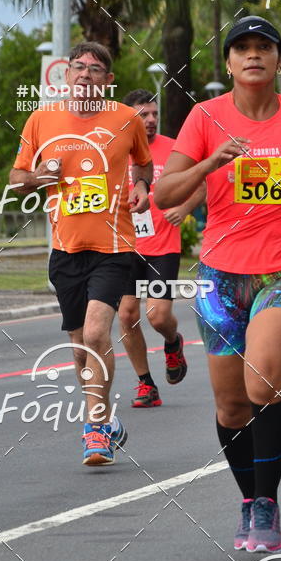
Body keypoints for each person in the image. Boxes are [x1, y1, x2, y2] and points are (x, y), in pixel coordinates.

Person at [155, 15, 281, 553]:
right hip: (219, 273)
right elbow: (165, 194)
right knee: (231, 406)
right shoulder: (205, 116)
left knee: (263, 387)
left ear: (279, 59)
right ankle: (248, 500)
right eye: (242, 48)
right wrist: (211, 161)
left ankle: (266, 503)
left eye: (264, 47)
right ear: (229, 63)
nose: (253, 55)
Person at [10, 42, 152, 466]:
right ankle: (107, 418)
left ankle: (94, 432)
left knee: (95, 335)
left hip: (112, 246)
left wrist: (142, 187)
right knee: (78, 348)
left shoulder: (126, 119)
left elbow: (142, 162)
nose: (85, 74)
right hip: (65, 249)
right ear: (66, 75)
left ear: (108, 80)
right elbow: (17, 178)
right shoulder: (41, 120)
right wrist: (37, 176)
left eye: (96, 69)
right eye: (78, 67)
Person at [118, 89, 205, 408]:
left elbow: (201, 184)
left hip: (162, 247)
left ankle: (173, 342)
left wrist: (184, 210)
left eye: (154, 114)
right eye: (144, 115)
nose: (151, 120)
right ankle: (146, 384)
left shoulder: (173, 149)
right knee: (127, 315)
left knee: (157, 316)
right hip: (124, 247)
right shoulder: (114, 151)